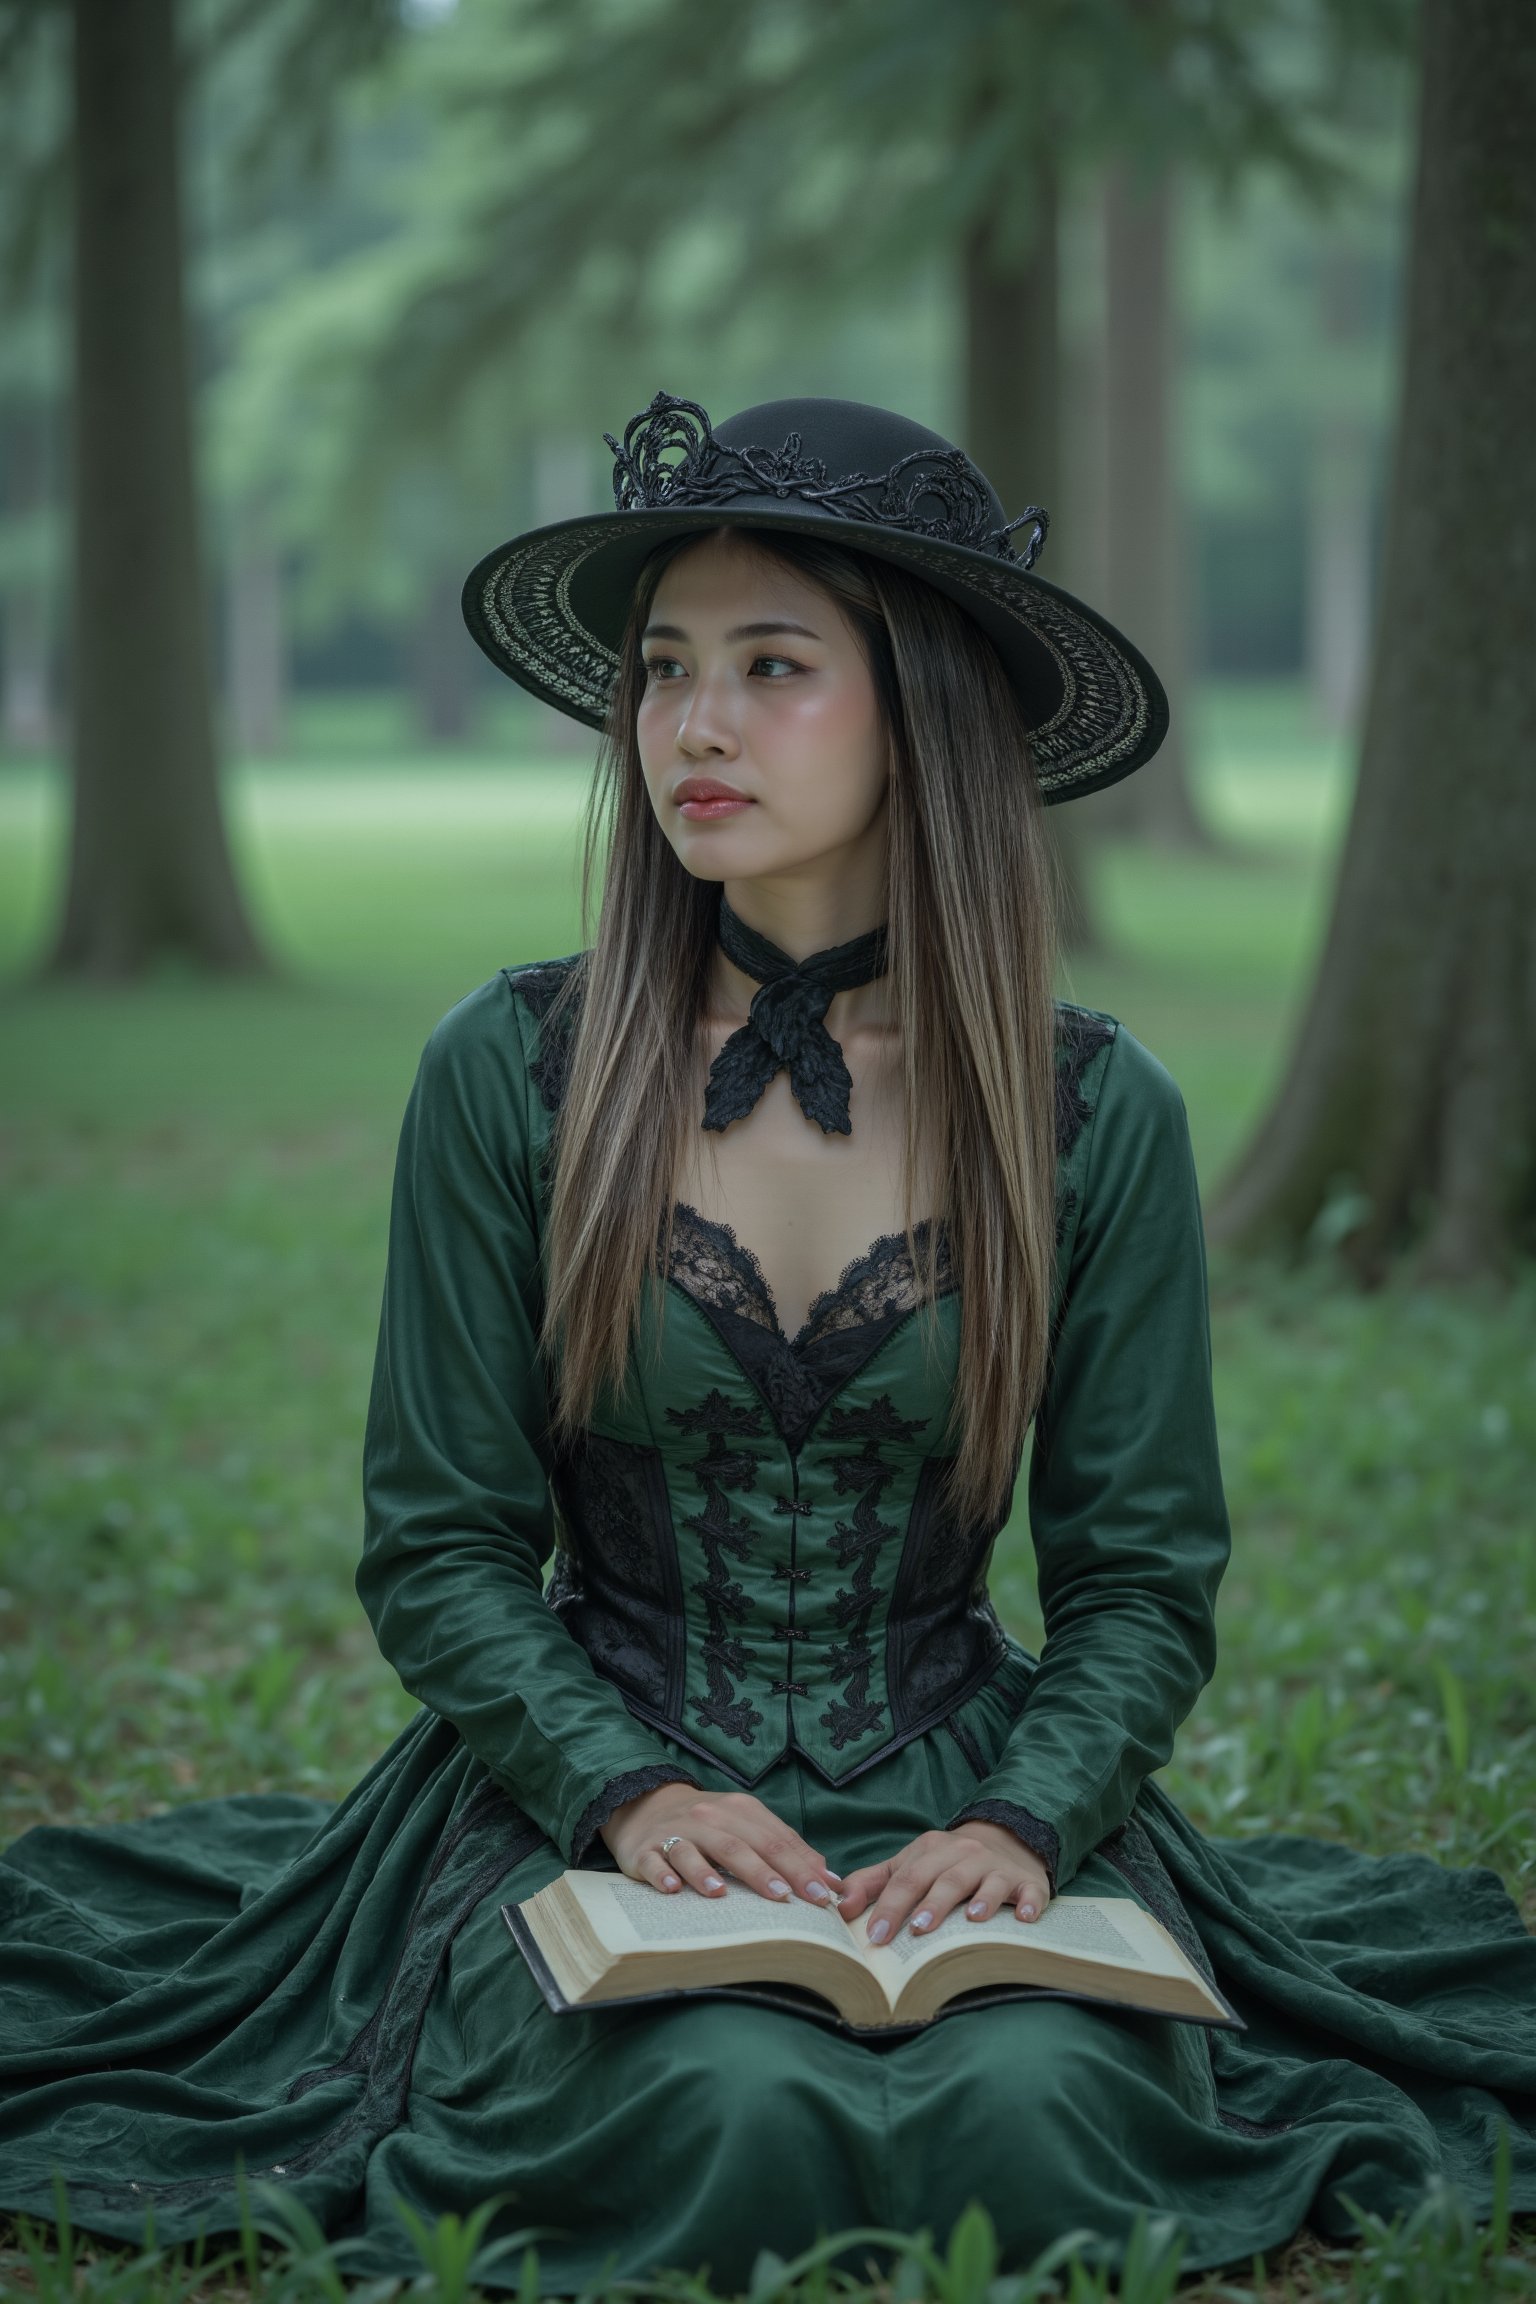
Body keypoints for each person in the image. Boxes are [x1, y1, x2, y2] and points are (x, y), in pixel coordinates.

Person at [2, 390, 1533, 2293]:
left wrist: (1023, 1823)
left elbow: (1143, 1577)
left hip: (953, 1782)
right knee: (712, 2097)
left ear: (927, 711)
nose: (692, 726)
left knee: (1040, 2101)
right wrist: (625, 1792)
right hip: (586, 1779)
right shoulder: (513, 1072)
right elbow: (439, 1542)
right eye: (662, 672)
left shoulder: (1093, 1113)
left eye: (771, 666)